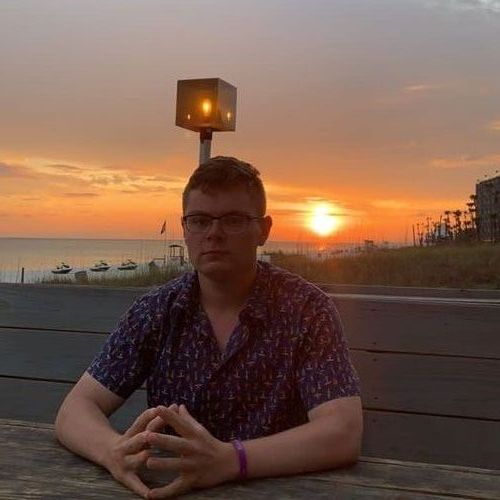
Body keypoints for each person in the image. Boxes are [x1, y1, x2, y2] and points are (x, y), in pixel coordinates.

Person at [55, 156, 362, 499]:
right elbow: (76, 409)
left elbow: (342, 431)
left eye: (233, 220)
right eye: (200, 221)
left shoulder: (306, 310)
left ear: (263, 230)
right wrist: (112, 451)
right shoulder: (157, 311)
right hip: (171, 490)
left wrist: (232, 460)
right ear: (185, 229)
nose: (214, 233)